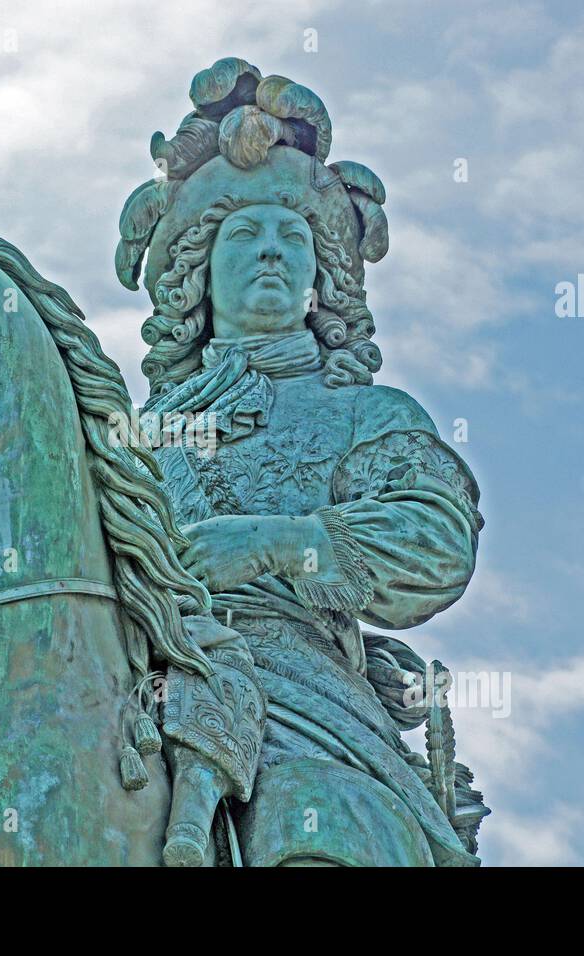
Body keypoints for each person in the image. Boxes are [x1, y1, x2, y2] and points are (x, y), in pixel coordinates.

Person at [115, 58, 489, 866]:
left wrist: (275, 542)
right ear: (197, 278)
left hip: (302, 697)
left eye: (294, 237)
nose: (273, 251)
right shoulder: (133, 439)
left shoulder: (368, 414)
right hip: (123, 684)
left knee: (307, 820)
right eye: (245, 234)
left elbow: (436, 541)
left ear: (325, 280)